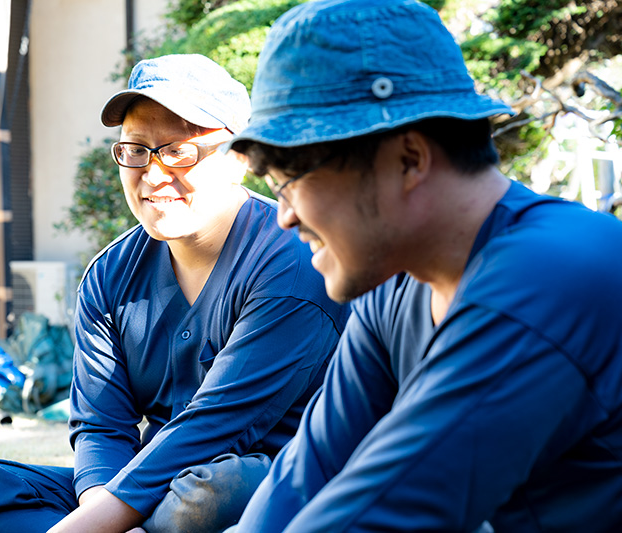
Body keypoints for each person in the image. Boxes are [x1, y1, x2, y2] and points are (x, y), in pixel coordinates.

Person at [226, 1, 622, 531]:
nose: (284, 217)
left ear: (408, 159)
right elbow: (308, 476)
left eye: (290, 179)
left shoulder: (550, 276)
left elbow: (381, 512)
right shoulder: (396, 287)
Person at [0, 54, 347, 533]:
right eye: (136, 150)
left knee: (206, 495)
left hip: (269, 480)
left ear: (240, 159)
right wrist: (105, 515)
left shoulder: (293, 262)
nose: (153, 174)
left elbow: (214, 428)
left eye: (179, 151)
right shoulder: (110, 275)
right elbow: (101, 425)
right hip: (151, 490)